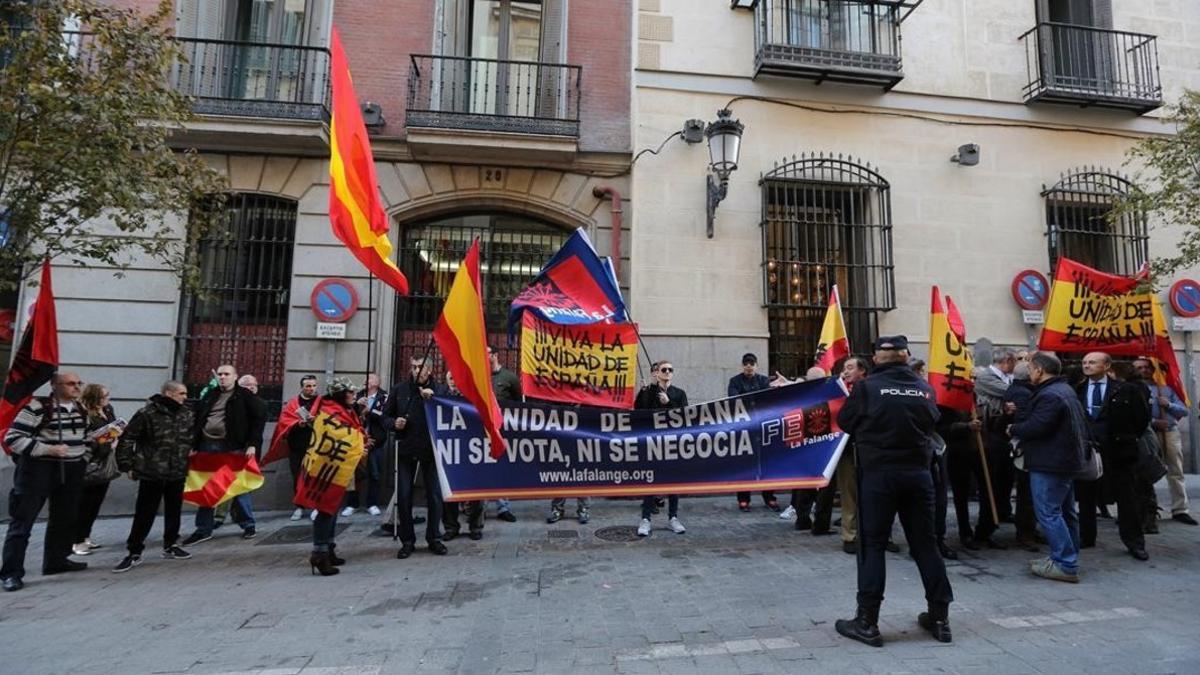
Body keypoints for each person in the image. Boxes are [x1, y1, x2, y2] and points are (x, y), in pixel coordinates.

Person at [834, 336, 953, 647]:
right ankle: (940, 617)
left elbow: (845, 421)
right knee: (926, 545)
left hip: (879, 476)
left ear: (875, 358)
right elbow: (933, 420)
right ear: (906, 356)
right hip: (918, 475)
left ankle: (867, 621)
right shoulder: (925, 388)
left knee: (872, 545)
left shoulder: (867, 388)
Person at [1, 372, 90, 592]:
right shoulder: (37, 408)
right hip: (38, 470)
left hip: (71, 470)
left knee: (64, 519)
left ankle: (56, 560)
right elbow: (13, 438)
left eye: (79, 383)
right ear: (54, 385)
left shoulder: (81, 409)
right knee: (23, 522)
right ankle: (11, 572)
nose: (76, 387)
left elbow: (85, 437)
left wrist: (84, 456)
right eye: (70, 383)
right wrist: (48, 449)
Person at [1010, 353, 1086, 582]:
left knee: (1049, 513)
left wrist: (1014, 428)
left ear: (1039, 370)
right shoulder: (1064, 390)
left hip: (1050, 462)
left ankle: (1065, 563)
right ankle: (1064, 557)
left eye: (1031, 369)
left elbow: (1038, 426)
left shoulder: (1050, 395)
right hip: (1063, 460)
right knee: (1065, 512)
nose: (1029, 373)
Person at [112, 381, 195, 573]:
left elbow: (191, 438)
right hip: (152, 471)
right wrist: (127, 465)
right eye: (181, 393)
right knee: (145, 513)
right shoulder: (147, 414)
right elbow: (127, 439)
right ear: (168, 393)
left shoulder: (186, 414)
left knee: (174, 510)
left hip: (177, 470)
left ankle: (171, 544)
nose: (185, 397)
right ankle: (134, 551)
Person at [1075, 352, 1151, 561]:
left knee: (1127, 498)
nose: (1087, 366)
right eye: (1084, 362)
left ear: (1107, 365)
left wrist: (1126, 438)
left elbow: (1141, 418)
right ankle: (1086, 536)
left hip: (1119, 451)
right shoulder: (1078, 389)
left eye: (1092, 362)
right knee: (1086, 496)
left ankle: (1134, 542)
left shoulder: (1126, 390)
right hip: (1089, 450)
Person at [180, 364, 266, 545]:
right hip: (207, 446)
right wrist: (194, 444)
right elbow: (199, 419)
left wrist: (252, 444)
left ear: (235, 376)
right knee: (207, 488)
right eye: (220, 374)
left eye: (227, 374)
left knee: (239, 487)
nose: (222, 377)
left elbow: (258, 420)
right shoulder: (210, 395)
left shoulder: (244, 396)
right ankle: (204, 529)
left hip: (232, 447)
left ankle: (248, 524)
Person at [383, 356, 448, 559]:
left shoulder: (440, 390)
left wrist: (435, 400)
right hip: (406, 449)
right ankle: (408, 540)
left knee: (435, 496)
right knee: (403, 495)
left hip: (432, 450)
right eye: (413, 367)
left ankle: (434, 538)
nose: (416, 370)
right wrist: (394, 423)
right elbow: (384, 417)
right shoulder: (399, 390)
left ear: (429, 370)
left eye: (420, 367)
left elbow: (451, 416)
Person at [309, 377, 365, 576]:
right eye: (350, 392)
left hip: (340, 467)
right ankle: (319, 553)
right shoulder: (329, 411)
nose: (354, 395)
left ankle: (329, 548)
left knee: (333, 508)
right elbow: (335, 437)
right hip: (328, 468)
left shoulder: (345, 410)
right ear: (341, 394)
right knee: (325, 509)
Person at [1133, 357, 1196, 526]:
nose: (1144, 370)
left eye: (1147, 367)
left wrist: (1168, 405)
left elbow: (1184, 411)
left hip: (1169, 433)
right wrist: (1153, 423)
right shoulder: (1133, 389)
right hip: (1146, 436)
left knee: (1176, 471)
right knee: (1143, 473)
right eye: (1139, 367)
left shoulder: (1166, 389)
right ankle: (1144, 510)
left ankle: (1180, 509)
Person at [635, 360, 688, 537]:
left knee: (673, 481)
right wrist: (642, 393)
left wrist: (669, 402)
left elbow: (685, 416)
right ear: (657, 373)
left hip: (672, 443)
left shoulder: (679, 394)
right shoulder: (649, 392)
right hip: (652, 442)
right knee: (650, 480)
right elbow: (639, 411)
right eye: (664, 370)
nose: (667, 372)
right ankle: (646, 519)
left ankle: (673, 517)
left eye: (670, 370)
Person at [728, 352, 779, 512]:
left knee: (767, 464)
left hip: (762, 427)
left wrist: (750, 400)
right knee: (744, 464)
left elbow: (767, 399)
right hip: (744, 428)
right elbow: (734, 400)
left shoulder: (763, 380)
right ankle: (743, 499)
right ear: (742, 365)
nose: (749, 366)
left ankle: (769, 497)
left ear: (756, 365)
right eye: (746, 363)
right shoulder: (735, 381)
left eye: (752, 363)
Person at [72, 383, 119, 556]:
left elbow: (112, 428)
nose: (108, 399)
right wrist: (108, 444)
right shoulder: (85, 414)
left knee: (95, 503)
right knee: (84, 503)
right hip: (89, 463)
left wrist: (115, 435)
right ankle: (76, 540)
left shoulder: (107, 410)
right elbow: (88, 439)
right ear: (94, 398)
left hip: (104, 462)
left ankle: (85, 536)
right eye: (104, 396)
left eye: (107, 395)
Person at [975, 349, 1017, 525]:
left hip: (1007, 431)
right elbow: (1011, 392)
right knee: (996, 476)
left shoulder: (1008, 377)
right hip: (992, 431)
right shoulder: (986, 377)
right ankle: (993, 515)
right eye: (1016, 361)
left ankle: (1004, 509)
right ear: (1007, 360)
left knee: (1007, 475)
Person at [441, 372, 484, 541]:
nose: (453, 382)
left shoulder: (471, 396)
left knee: (476, 491)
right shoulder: (440, 395)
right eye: (451, 378)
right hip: (449, 450)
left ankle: (475, 527)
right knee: (450, 490)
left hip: (471, 449)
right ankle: (451, 527)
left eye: (456, 378)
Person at [1004, 363, 1041, 552]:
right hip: (1026, 448)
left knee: (1028, 493)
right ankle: (1026, 533)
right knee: (1027, 494)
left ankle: (1028, 530)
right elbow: (1026, 421)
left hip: (1026, 447)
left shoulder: (1020, 390)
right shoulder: (1023, 393)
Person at [347, 373, 387, 518]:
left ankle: (372, 503)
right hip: (356, 441)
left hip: (376, 441)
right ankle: (352, 504)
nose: (367, 380)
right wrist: (357, 406)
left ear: (377, 382)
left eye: (370, 378)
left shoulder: (384, 397)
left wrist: (370, 411)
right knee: (354, 474)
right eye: (366, 378)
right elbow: (348, 414)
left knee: (374, 474)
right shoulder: (357, 396)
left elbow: (385, 415)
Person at [488, 346, 519, 523]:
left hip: (503, 430)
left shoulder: (509, 378)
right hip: (482, 430)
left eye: (487, 353)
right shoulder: (479, 375)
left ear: (495, 356)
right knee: (481, 468)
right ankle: (478, 508)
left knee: (502, 467)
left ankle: (503, 507)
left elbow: (518, 402)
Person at [281, 375, 320, 521]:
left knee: (315, 477)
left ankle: (316, 505)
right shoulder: (293, 404)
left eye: (313, 386)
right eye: (308, 386)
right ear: (302, 387)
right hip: (297, 446)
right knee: (297, 476)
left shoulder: (322, 403)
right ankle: (299, 506)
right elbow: (284, 423)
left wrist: (315, 420)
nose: (311, 389)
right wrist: (298, 424)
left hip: (316, 447)